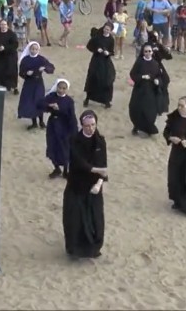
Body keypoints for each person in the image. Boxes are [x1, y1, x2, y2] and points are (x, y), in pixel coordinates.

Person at [62, 109, 107, 260]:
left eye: (93, 125)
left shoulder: (100, 141)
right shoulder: (74, 140)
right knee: (74, 219)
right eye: (87, 125)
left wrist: (99, 183)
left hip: (94, 187)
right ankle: (74, 249)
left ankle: (93, 248)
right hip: (77, 185)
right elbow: (77, 161)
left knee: (95, 219)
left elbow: (104, 165)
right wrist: (95, 170)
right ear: (82, 125)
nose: (91, 128)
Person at [38, 79, 78, 179]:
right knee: (52, 146)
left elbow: (71, 115)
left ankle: (65, 170)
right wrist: (49, 105)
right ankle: (56, 168)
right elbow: (39, 104)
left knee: (64, 148)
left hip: (64, 126)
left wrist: (74, 131)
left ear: (67, 89)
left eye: (64, 88)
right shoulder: (52, 96)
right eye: (60, 88)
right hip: (53, 125)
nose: (61, 90)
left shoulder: (69, 101)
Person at [17, 41, 55, 130]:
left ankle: (41, 121)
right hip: (29, 84)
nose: (34, 51)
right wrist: (26, 73)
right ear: (29, 49)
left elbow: (51, 67)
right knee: (30, 102)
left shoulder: (41, 59)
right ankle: (34, 122)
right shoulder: (25, 60)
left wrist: (45, 68)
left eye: (36, 49)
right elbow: (21, 72)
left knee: (39, 101)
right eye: (32, 49)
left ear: (38, 49)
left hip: (38, 83)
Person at [128, 44, 162, 137]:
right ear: (143, 52)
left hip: (150, 91)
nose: (148, 53)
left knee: (150, 111)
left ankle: (149, 128)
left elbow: (159, 76)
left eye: (149, 51)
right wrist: (142, 77)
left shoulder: (155, 63)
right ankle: (136, 126)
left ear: (152, 52)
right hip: (139, 89)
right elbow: (132, 74)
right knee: (136, 109)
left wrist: (157, 81)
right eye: (146, 51)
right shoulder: (139, 62)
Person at [83, 23, 116, 109]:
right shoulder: (98, 37)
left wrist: (108, 53)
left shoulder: (111, 39)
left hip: (105, 62)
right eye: (105, 29)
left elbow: (112, 51)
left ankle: (106, 101)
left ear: (110, 30)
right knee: (92, 78)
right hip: (96, 60)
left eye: (108, 30)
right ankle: (87, 98)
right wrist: (96, 49)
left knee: (106, 80)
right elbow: (89, 46)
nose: (106, 30)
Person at [146, 31, 172, 115]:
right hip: (150, 67)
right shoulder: (147, 46)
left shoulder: (158, 45)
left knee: (165, 80)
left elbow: (167, 56)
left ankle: (161, 106)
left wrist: (167, 50)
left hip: (158, 66)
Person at [0, 19, 19, 94]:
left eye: (5, 24)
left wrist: (5, 48)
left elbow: (15, 45)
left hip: (10, 56)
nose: (3, 26)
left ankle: (13, 87)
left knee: (10, 72)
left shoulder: (12, 34)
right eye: (1, 24)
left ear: (7, 26)